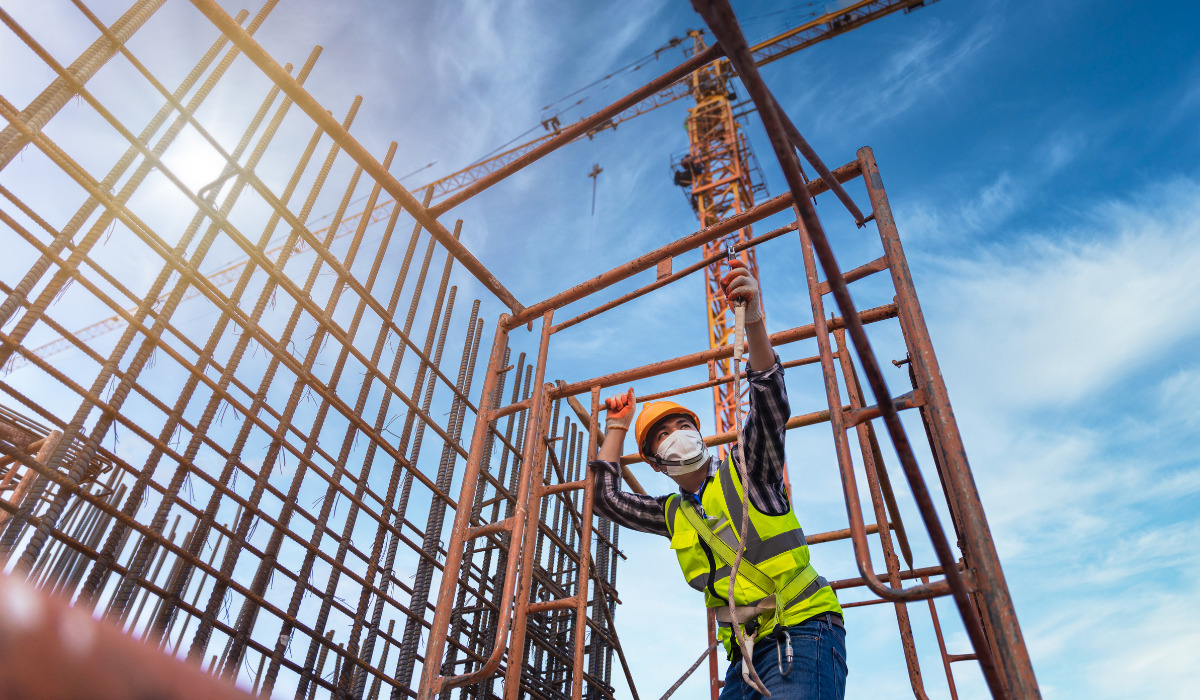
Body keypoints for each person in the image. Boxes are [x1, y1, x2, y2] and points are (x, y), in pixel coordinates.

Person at [590, 259, 847, 699]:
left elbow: (768, 401)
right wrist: (616, 426)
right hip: (745, 656)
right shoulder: (673, 513)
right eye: (662, 437)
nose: (675, 438)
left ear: (700, 435)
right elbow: (606, 500)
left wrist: (755, 322)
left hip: (802, 630)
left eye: (681, 428)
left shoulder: (747, 470)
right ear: (656, 463)